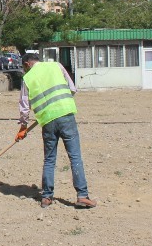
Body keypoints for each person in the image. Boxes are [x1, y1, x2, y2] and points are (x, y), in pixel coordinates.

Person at [16, 54, 95, 209]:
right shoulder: (56, 66)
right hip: (66, 115)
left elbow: (24, 106)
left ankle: (46, 197)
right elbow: (72, 89)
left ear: (27, 64)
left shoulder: (27, 78)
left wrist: (23, 127)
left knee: (49, 159)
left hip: (48, 121)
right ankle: (82, 196)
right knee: (75, 157)